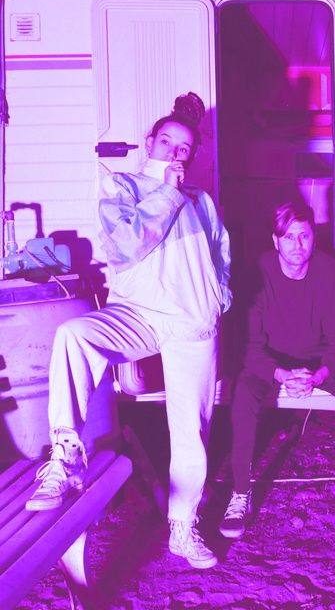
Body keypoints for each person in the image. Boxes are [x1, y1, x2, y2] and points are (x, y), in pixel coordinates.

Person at [25, 93, 231, 570]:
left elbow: (221, 253)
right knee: (74, 334)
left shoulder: (202, 201)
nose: (175, 153)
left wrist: (218, 298)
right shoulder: (122, 186)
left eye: (184, 148)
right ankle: (66, 453)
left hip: (191, 321)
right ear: (149, 142)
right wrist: (167, 192)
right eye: (167, 142)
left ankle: (183, 527)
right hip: (137, 313)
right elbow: (125, 246)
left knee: (191, 430)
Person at [219, 201, 335, 539]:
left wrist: (320, 375)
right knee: (244, 393)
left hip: (319, 361)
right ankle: (240, 491)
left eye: (304, 236)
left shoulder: (334, 274)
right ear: (275, 241)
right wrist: (281, 375)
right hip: (272, 361)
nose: (297, 245)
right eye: (288, 237)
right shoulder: (257, 275)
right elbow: (249, 347)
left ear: (314, 237)